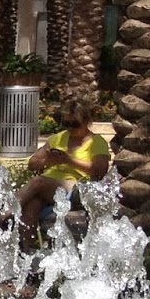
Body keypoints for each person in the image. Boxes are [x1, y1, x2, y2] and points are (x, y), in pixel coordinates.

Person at [18, 98, 110, 247]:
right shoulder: (58, 138)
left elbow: (100, 170)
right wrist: (48, 161)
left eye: (75, 124)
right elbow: (31, 163)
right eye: (66, 124)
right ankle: (26, 251)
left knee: (37, 181)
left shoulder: (96, 142)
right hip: (48, 187)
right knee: (32, 205)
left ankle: (3, 214)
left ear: (86, 121)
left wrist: (69, 160)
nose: (70, 129)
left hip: (74, 188)